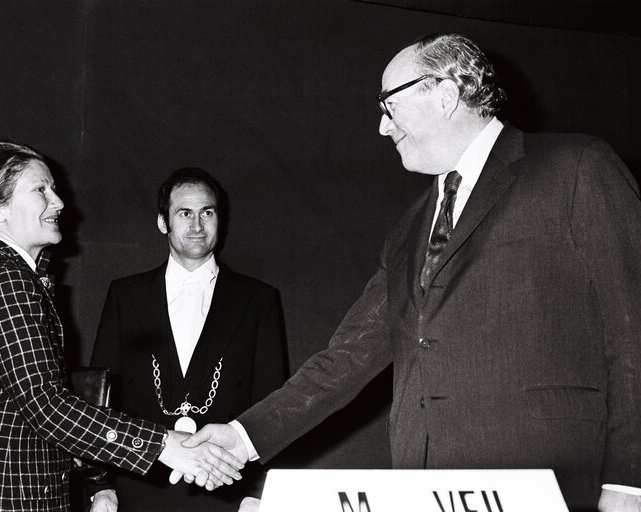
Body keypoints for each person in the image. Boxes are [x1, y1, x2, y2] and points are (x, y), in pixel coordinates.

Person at [184, 33, 641, 512]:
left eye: (389, 105)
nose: (382, 128)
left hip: (560, 486)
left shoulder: (575, 168)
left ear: (445, 94)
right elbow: (344, 359)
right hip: (428, 489)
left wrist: (629, 484)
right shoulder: (407, 230)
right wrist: (242, 436)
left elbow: (634, 331)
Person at [0, 141, 243, 512]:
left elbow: (24, 415)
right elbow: (47, 405)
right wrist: (163, 446)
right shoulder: (3, 278)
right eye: (41, 190)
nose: (59, 202)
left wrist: (99, 481)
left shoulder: (6, 275)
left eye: (54, 189)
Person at [87, 167, 288, 511]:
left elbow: (273, 402)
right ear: (163, 222)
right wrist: (102, 487)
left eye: (207, 213)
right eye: (184, 213)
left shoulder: (258, 299)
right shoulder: (127, 295)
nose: (197, 226)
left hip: (227, 490)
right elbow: (102, 397)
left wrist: (258, 493)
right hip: (139, 488)